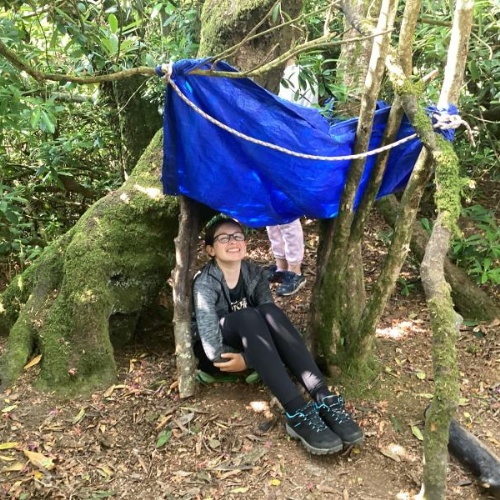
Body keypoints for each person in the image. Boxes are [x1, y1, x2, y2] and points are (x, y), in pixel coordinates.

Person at [192, 216, 364, 455]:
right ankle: (296, 411)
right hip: (222, 354)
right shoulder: (205, 283)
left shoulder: (254, 273)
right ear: (210, 249)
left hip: (255, 347)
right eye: (224, 238)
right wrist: (247, 358)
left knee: (269, 311)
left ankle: (324, 397)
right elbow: (212, 349)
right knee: (248, 316)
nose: (233, 241)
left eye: (238, 236)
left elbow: (270, 322)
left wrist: (250, 357)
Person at [266, 59, 318, 296]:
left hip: (289, 150)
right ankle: (281, 266)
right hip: (273, 150)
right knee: (271, 211)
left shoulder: (299, 74)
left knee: (286, 212)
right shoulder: (275, 73)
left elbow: (290, 114)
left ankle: (295, 271)